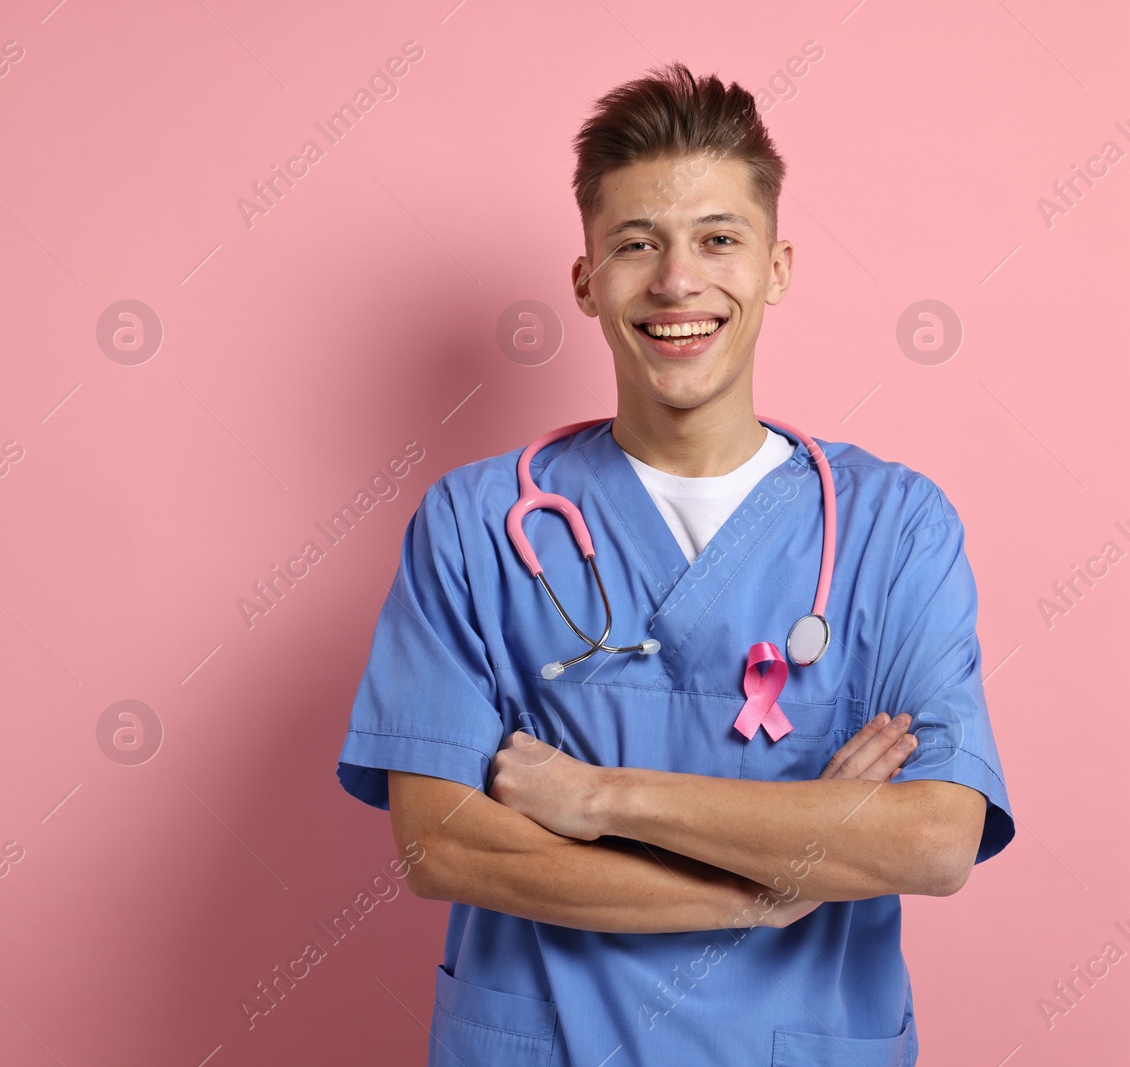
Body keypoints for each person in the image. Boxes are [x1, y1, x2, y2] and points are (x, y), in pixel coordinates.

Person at [334, 62, 1013, 1067]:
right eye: (634, 244)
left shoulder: (893, 527)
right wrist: (759, 891)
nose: (675, 281)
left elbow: (932, 838)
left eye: (717, 240)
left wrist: (600, 797)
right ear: (584, 278)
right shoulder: (476, 524)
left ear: (775, 268)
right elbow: (441, 842)